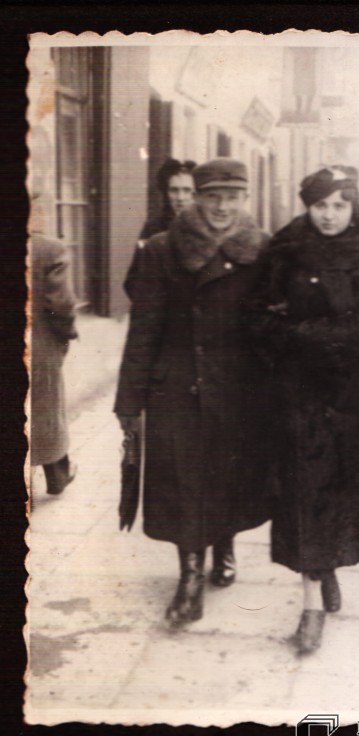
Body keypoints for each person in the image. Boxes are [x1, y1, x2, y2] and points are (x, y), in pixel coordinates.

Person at [245, 166, 359, 654]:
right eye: (320, 205)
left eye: (340, 205)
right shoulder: (287, 247)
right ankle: (311, 606)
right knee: (305, 492)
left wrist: (349, 333)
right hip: (301, 392)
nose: (329, 215)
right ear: (308, 206)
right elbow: (255, 316)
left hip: (357, 396)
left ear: (353, 206)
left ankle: (328, 567)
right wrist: (297, 337)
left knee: (343, 490)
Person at [114, 157, 271, 625]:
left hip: (239, 385)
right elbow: (143, 329)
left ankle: (224, 544)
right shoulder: (162, 249)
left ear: (245, 199)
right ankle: (189, 578)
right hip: (178, 385)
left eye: (232, 197)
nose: (222, 207)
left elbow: (272, 324)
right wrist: (130, 400)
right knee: (185, 480)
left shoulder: (262, 249)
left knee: (228, 475)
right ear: (196, 198)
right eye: (212, 197)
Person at [31, 233, 78, 495]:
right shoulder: (48, 249)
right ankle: (58, 477)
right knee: (46, 409)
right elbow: (61, 303)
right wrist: (66, 334)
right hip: (38, 344)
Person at [123, 158, 196, 300]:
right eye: (174, 190)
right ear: (166, 193)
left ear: (196, 194)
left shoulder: (206, 227)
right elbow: (132, 280)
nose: (180, 197)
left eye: (187, 190)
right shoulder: (153, 229)